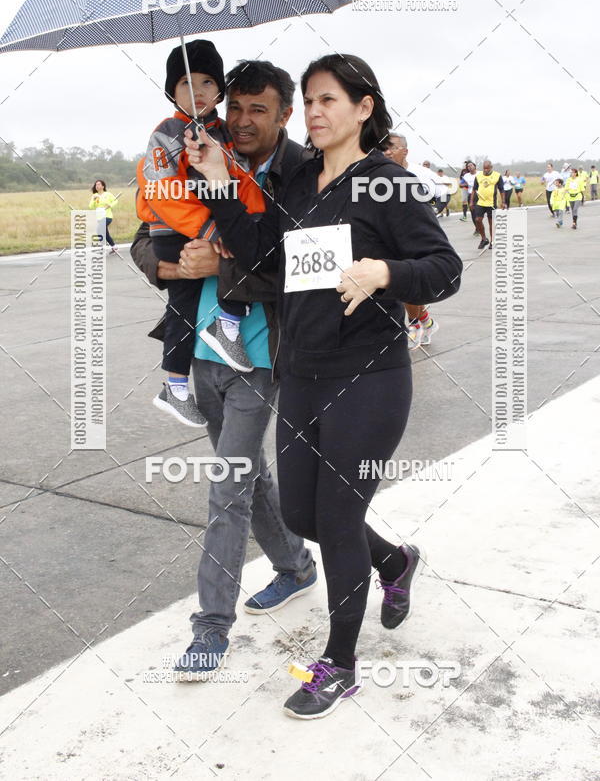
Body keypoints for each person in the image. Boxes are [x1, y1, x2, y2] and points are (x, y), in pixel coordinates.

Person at [186, 53, 462, 719]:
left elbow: (445, 270)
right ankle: (393, 562)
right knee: (305, 516)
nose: (313, 111)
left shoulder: (389, 184)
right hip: (301, 371)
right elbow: (260, 255)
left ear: (364, 108)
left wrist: (384, 274)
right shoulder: (299, 181)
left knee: (336, 519)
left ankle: (339, 665)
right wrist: (221, 181)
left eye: (327, 100)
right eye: (307, 100)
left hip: (369, 376)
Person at [131, 59, 316, 679]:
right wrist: (174, 267)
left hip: (260, 357)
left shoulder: (306, 175)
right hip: (202, 352)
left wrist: (220, 267)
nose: (239, 119)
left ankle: (211, 627)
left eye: (256, 109)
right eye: (234, 106)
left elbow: (299, 268)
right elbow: (146, 232)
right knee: (248, 477)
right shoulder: (197, 147)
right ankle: (294, 565)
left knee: (227, 485)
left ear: (284, 115)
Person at [135, 39, 264, 427]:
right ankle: (225, 327)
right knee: (198, 286)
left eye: (208, 82)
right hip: (175, 231)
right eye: (186, 84)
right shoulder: (166, 133)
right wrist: (210, 229)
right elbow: (161, 193)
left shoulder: (222, 132)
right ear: (171, 91)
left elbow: (241, 179)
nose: (199, 92)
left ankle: (175, 386)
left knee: (186, 304)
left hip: (212, 224)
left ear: (220, 90)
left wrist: (255, 214)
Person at [383, 135, 440, 348]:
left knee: (409, 285)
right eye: (384, 148)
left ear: (405, 151)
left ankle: (414, 325)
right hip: (390, 237)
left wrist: (430, 218)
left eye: (392, 148)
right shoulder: (377, 175)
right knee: (400, 285)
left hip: (417, 238)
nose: (387, 152)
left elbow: (441, 195)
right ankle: (426, 321)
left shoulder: (422, 174)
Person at [471, 159, 503, 250]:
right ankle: (484, 239)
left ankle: (492, 241)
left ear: (491, 167)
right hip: (480, 202)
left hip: (491, 203)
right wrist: (471, 201)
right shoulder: (478, 176)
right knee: (477, 220)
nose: (485, 170)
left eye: (487, 168)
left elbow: (501, 189)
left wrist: (503, 202)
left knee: (491, 223)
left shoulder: (497, 176)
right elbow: (474, 189)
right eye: (484, 168)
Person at [89, 180, 118, 253]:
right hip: (99, 217)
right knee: (105, 233)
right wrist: (94, 200)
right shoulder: (94, 196)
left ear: (103, 186)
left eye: (99, 184)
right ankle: (114, 247)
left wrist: (110, 205)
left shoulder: (108, 194)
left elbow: (115, 201)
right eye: (96, 185)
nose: (97, 186)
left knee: (99, 230)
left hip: (107, 216)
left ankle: (102, 247)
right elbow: (91, 206)